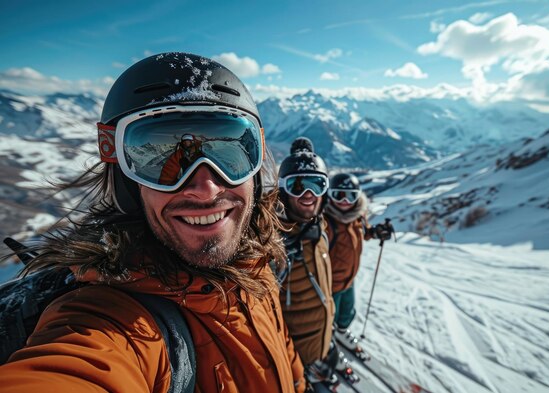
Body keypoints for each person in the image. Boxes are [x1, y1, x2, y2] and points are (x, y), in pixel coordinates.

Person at [0, 53, 306, 393]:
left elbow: (280, 342)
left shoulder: (256, 265)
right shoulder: (112, 321)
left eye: (229, 156)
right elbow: (76, 371)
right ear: (127, 185)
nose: (206, 189)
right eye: (159, 158)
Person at [275, 138, 336, 384]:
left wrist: (327, 341)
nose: (308, 194)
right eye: (297, 185)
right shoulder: (273, 243)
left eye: (317, 184)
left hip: (320, 342)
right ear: (282, 190)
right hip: (294, 359)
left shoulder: (318, 227)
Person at [324, 173, 392, 354]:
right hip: (330, 282)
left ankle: (340, 330)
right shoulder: (326, 221)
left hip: (349, 277)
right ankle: (326, 339)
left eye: (351, 195)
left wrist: (376, 232)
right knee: (329, 314)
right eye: (339, 195)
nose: (345, 201)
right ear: (330, 195)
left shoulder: (358, 217)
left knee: (347, 311)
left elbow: (363, 232)